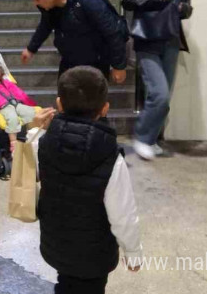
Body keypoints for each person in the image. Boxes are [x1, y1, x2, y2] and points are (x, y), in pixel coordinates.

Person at [34, 66, 143, 294]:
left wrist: (35, 130)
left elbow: (27, 173)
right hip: (94, 254)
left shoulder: (42, 143)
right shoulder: (111, 156)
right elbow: (123, 214)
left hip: (57, 242)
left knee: (66, 282)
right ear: (105, 108)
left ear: (59, 104)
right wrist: (132, 251)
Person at [121, 0, 193, 161]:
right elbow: (128, 0)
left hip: (171, 40)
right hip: (148, 40)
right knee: (159, 94)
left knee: (164, 97)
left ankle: (150, 140)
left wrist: (183, 9)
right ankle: (142, 138)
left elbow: (186, 8)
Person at [22, 0, 127, 84]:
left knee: (91, 100)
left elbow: (113, 33)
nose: (35, 3)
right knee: (64, 98)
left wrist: (119, 66)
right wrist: (31, 49)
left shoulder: (89, 2)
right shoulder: (50, 9)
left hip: (95, 63)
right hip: (68, 60)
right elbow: (45, 26)